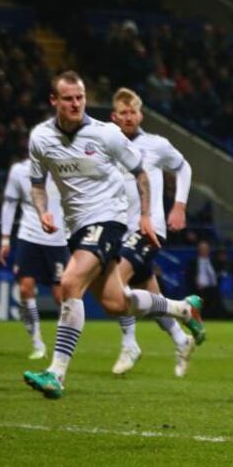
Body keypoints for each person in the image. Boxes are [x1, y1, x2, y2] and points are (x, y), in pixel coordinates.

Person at [22, 71, 205, 400]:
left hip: (110, 220)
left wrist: (148, 217)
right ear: (54, 101)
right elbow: (36, 183)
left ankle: (56, 374)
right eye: (68, 98)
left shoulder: (106, 135)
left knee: (70, 283)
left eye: (80, 97)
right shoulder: (40, 139)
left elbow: (141, 175)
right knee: (115, 302)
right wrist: (42, 211)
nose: (76, 103)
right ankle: (181, 309)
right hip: (75, 228)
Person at [108, 87, 200, 377]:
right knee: (153, 301)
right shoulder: (106, 145)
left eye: (132, 112)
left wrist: (180, 206)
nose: (128, 117)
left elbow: (184, 168)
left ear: (140, 114)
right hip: (117, 230)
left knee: (116, 284)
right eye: (122, 112)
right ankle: (181, 337)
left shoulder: (155, 145)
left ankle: (129, 344)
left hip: (149, 229)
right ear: (114, 116)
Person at [0, 149, 69, 360]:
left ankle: (61, 346)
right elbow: (10, 203)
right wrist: (5, 238)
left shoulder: (65, 169)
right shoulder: (19, 171)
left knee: (61, 297)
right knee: (25, 288)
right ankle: (37, 343)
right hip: (28, 237)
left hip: (58, 240)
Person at [186, 240, 225, 318]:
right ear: (198, 250)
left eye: (205, 249)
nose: (204, 251)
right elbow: (189, 276)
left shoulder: (215, 262)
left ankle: (217, 317)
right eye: (202, 249)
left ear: (209, 250)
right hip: (199, 288)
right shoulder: (193, 263)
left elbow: (220, 274)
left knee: (216, 295)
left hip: (213, 288)